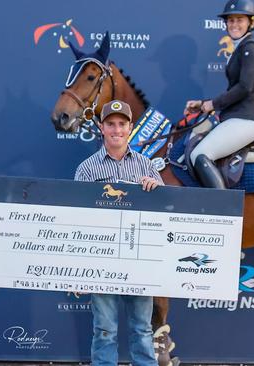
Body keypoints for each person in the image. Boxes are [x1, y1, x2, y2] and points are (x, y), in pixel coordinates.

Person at [74, 99, 163, 366]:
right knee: (104, 331)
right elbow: (77, 221)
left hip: (140, 260)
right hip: (102, 261)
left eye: (121, 124)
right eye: (110, 124)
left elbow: (165, 215)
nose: (116, 130)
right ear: (101, 128)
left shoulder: (147, 167)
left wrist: (157, 189)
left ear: (130, 128)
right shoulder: (87, 169)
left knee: (142, 330)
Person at [185, 0, 254, 188]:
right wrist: (203, 103)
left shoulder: (251, 48)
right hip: (238, 117)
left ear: (252, 22)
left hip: (248, 119)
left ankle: (222, 211)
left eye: (239, 20)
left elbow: (244, 88)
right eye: (230, 21)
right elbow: (234, 90)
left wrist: (213, 105)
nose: (234, 25)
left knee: (200, 154)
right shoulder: (241, 48)